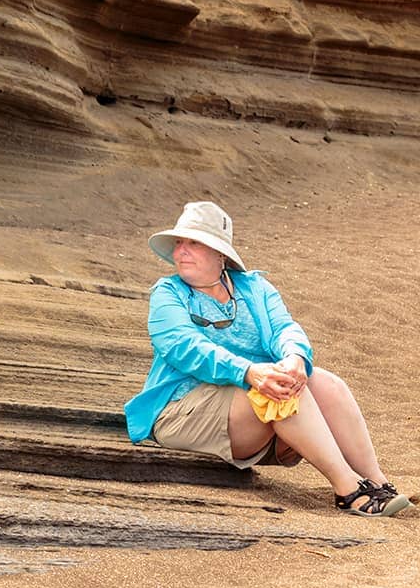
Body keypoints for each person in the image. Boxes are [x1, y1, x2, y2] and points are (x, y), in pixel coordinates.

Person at [124, 200, 412, 517]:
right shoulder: (168, 293)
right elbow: (184, 346)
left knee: (324, 383)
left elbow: (285, 328)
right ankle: (348, 489)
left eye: (193, 242)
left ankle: (378, 483)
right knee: (274, 391)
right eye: (179, 242)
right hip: (183, 409)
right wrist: (249, 371)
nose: (181, 251)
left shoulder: (254, 287)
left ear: (219, 253)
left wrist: (296, 357)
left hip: (251, 408)